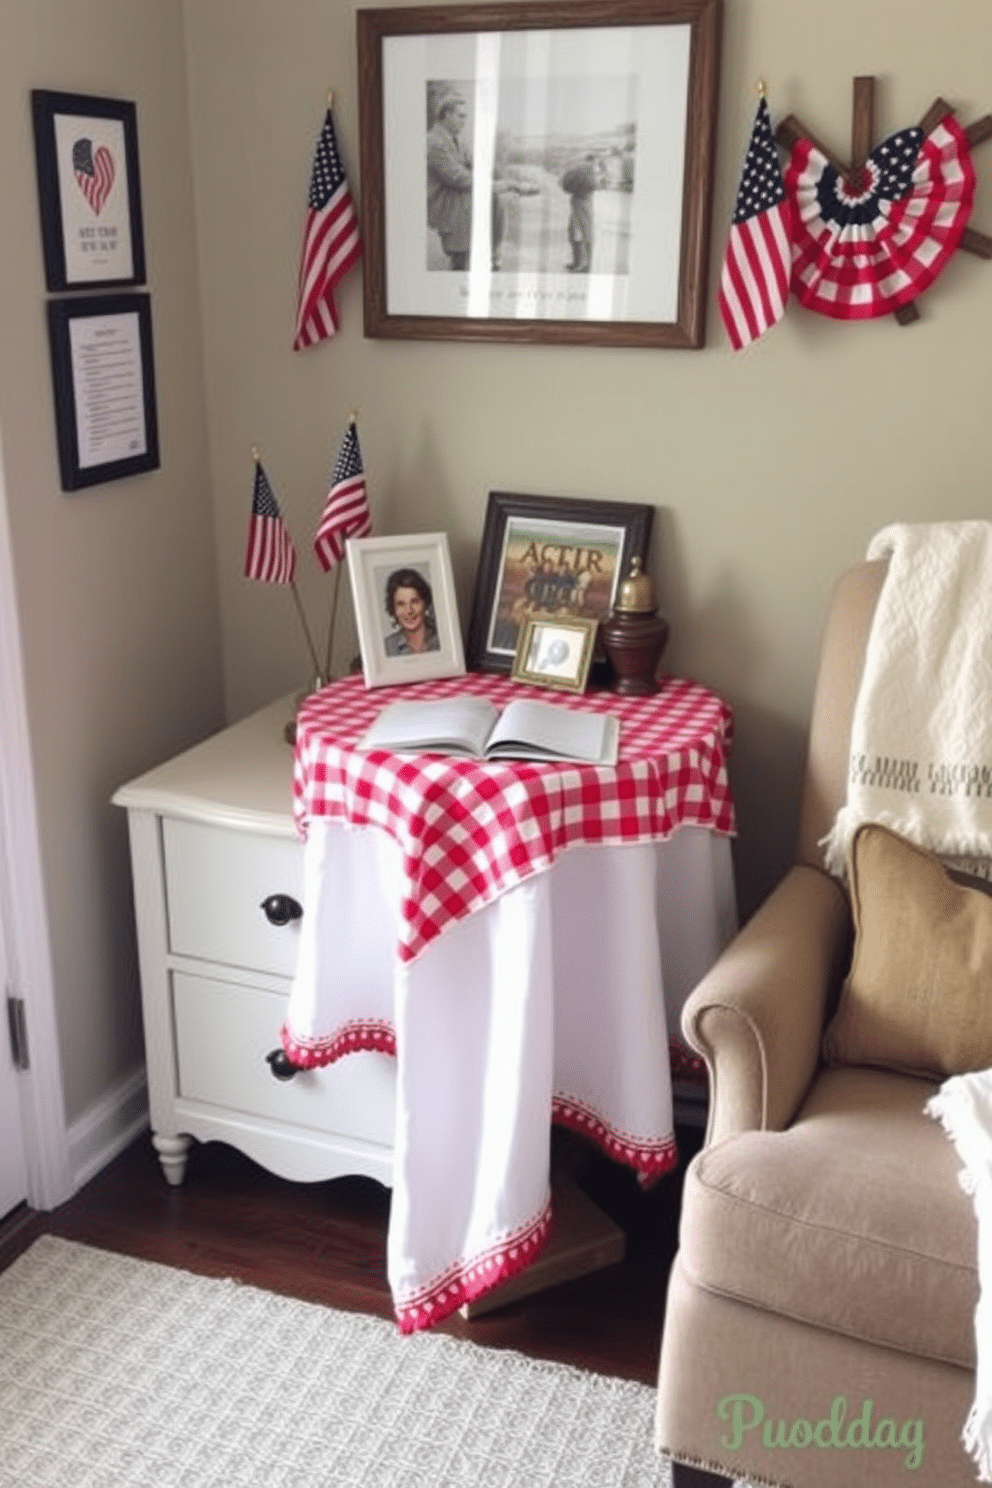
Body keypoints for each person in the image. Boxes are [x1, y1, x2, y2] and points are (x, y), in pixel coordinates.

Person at [426, 91, 506, 271]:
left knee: (495, 201)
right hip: (446, 201)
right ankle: (466, 261)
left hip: (458, 196)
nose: (464, 121)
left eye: (466, 117)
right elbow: (456, 176)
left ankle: (490, 253)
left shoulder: (457, 141)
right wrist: (491, 185)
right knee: (489, 199)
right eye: (461, 116)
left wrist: (496, 178)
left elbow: (473, 164)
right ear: (446, 114)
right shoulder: (434, 141)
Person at [559, 153, 603, 273]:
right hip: (582, 202)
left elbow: (590, 185)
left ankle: (582, 265)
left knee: (578, 234)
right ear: (594, 160)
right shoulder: (590, 170)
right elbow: (595, 186)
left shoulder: (581, 169)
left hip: (579, 201)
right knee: (580, 233)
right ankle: (582, 264)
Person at [383, 568, 440, 656]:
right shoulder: (386, 648)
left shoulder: (443, 638)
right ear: (393, 609)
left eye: (414, 601)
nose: (409, 611)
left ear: (425, 603)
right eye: (401, 604)